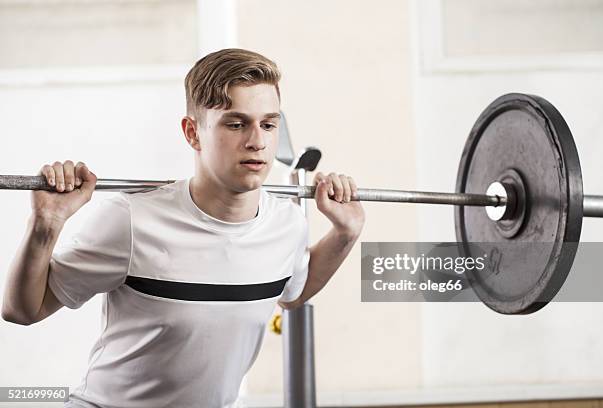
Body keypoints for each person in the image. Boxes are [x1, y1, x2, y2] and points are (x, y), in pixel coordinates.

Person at [1, 48, 365, 407]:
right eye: (236, 124)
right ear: (193, 133)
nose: (257, 141)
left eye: (268, 124)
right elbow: (22, 310)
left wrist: (344, 234)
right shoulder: (131, 220)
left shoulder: (287, 224)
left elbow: (292, 293)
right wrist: (45, 226)